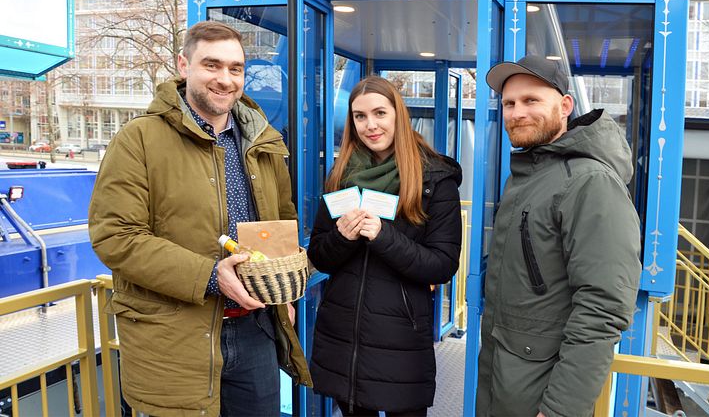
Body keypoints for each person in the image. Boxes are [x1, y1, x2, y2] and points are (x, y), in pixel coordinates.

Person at [88, 21, 310, 417]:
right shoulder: (138, 139)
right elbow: (115, 236)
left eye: (236, 68)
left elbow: (282, 222)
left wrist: (284, 296)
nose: (225, 79)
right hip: (173, 338)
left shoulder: (264, 142)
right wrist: (211, 275)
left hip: (257, 329)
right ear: (183, 65)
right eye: (212, 65)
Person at [476, 55, 642, 417]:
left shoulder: (589, 182)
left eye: (531, 100)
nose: (516, 112)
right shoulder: (529, 175)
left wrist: (560, 410)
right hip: (506, 382)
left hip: (539, 395)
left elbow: (604, 308)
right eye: (509, 103)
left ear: (565, 105)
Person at [308, 76, 462, 416]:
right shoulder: (341, 175)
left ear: (398, 115)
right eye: (360, 116)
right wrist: (342, 237)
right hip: (344, 341)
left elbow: (442, 264)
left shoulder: (435, 179)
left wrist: (383, 236)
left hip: (401, 343)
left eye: (380, 113)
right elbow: (319, 254)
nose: (370, 125)